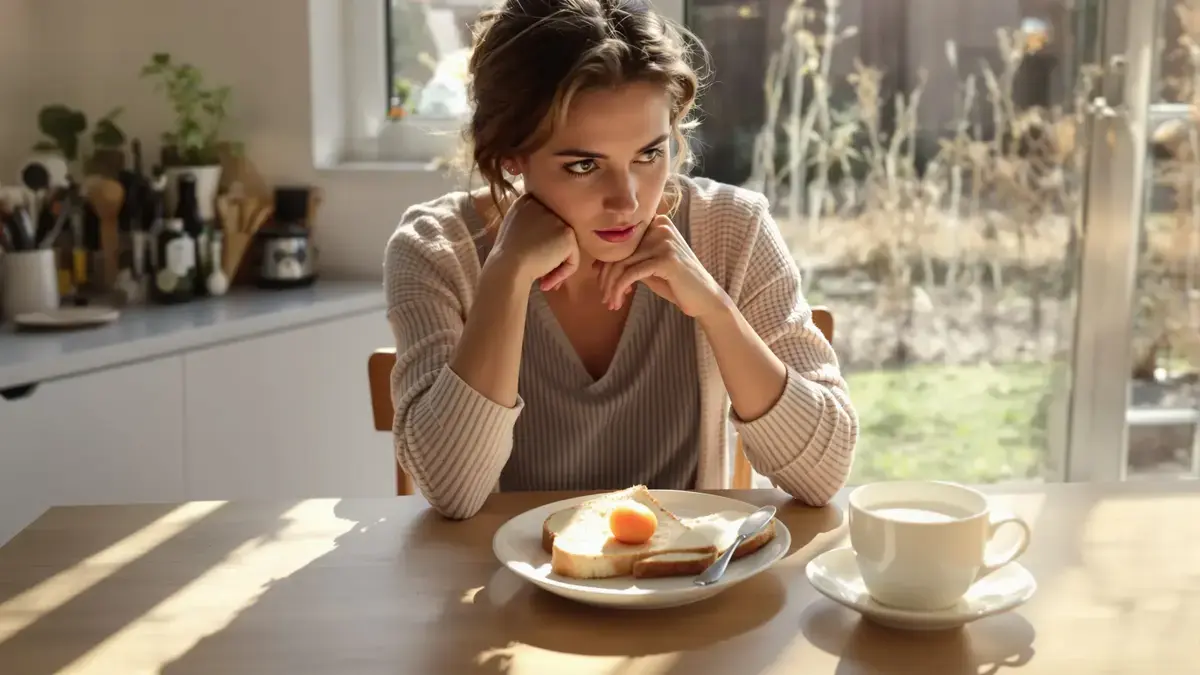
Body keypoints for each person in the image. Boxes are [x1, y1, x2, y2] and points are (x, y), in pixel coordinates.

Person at [384, 0, 858, 519]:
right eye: (585, 165)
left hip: (686, 587)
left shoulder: (731, 229)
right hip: (507, 591)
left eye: (649, 154)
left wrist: (717, 311)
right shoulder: (436, 249)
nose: (628, 200)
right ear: (510, 156)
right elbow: (453, 492)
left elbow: (824, 473)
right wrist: (505, 274)